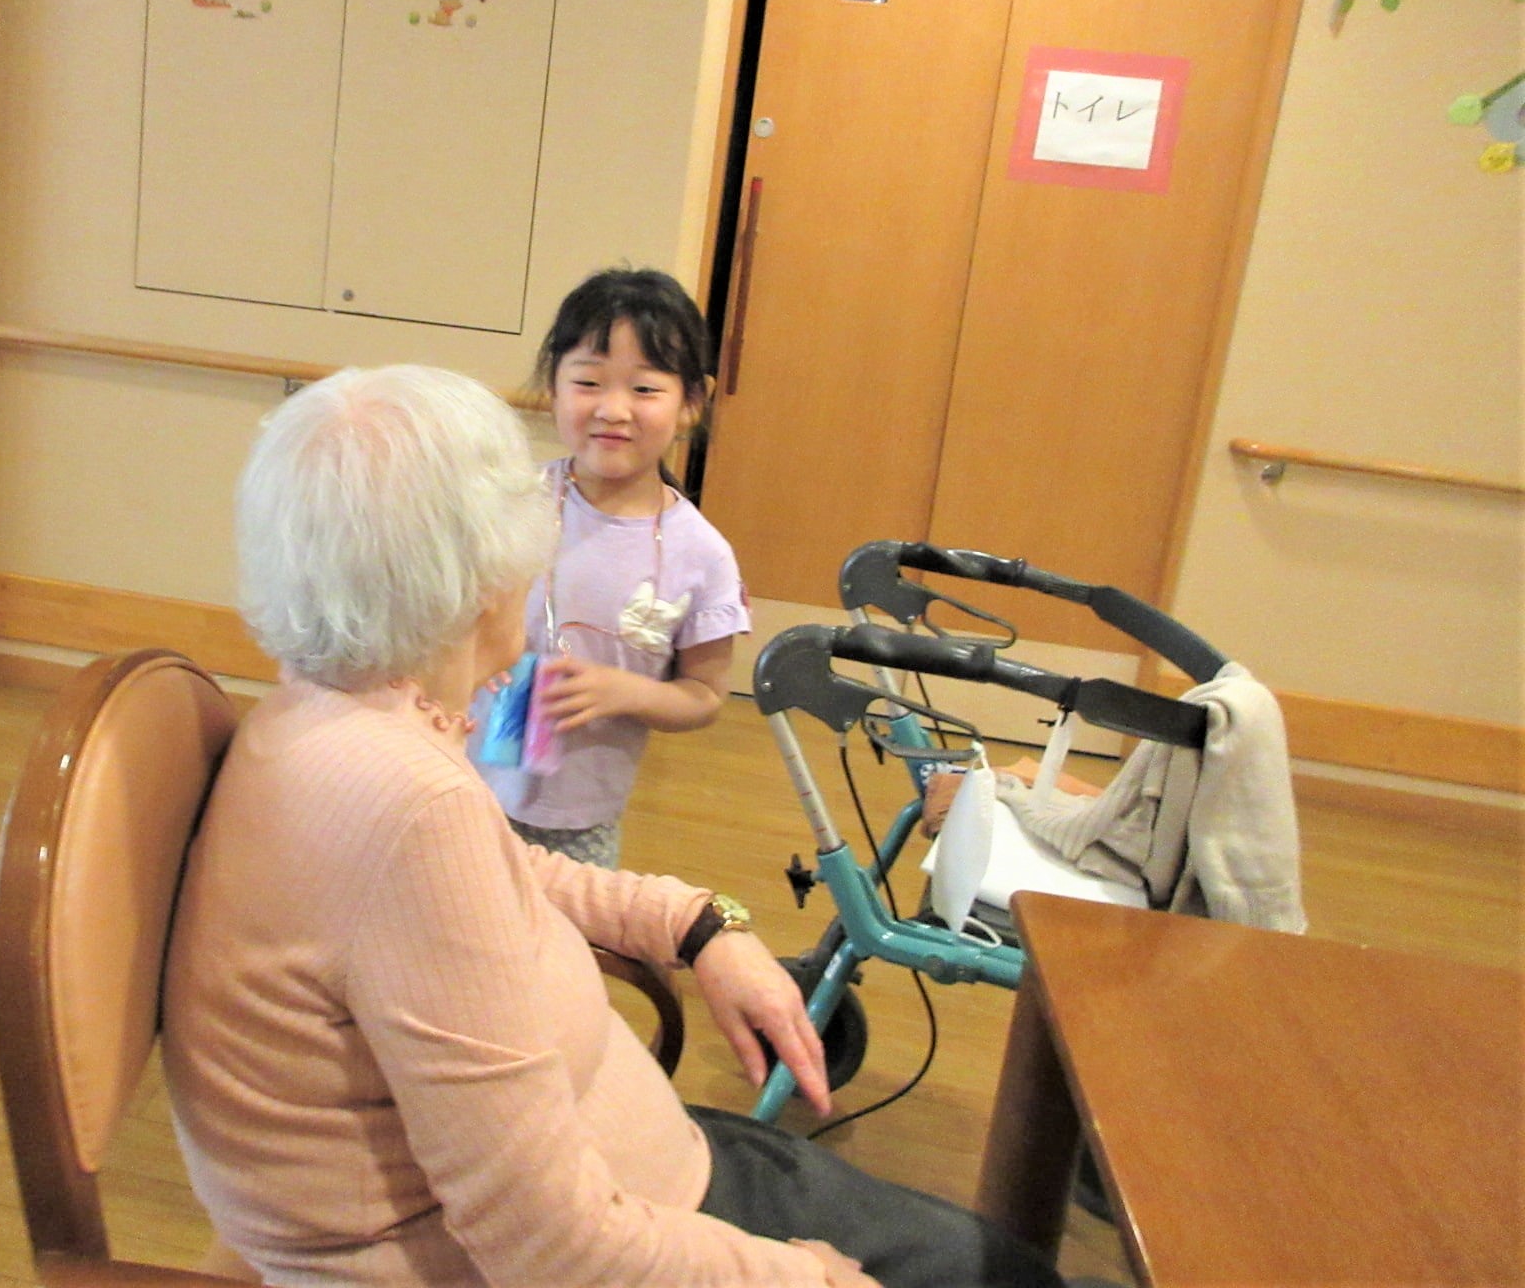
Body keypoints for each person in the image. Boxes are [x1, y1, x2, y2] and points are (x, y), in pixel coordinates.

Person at [161, 363, 1065, 1288]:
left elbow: (501, 876)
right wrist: (810, 1280)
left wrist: (696, 923)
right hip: (606, 1235)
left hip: (638, 1168)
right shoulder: (405, 805)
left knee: (987, 1260)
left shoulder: (318, 714)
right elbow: (549, 1246)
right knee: (1003, 1273)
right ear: (485, 578)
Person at [474, 266, 747, 866]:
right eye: (589, 382)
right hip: (464, 786)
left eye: (644, 389)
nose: (614, 409)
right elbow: (445, 619)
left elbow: (704, 696)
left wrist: (627, 692)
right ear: (554, 386)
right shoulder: (510, 504)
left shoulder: (701, 554)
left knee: (566, 925)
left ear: (691, 403)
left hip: (581, 819)